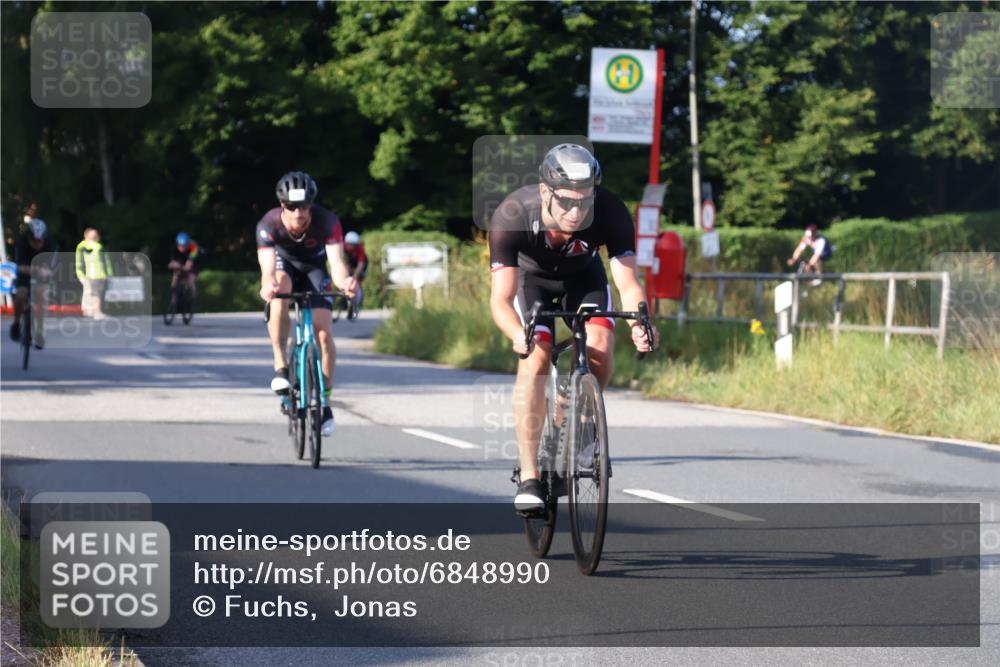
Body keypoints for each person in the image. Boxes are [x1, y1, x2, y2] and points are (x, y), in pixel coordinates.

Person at [488, 144, 659, 513]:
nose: (576, 210)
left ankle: (581, 424)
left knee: (599, 346)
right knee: (535, 358)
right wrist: (517, 333)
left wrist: (640, 323)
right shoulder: (512, 214)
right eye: (566, 201)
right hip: (530, 281)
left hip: (584, 278)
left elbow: (628, 284)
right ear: (545, 190)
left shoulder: (610, 210)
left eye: (585, 201)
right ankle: (531, 475)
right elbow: (500, 299)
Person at [256, 171, 357, 436]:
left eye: (302, 206)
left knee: (323, 335)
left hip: (315, 268)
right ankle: (281, 365)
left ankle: (324, 402)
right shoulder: (269, 225)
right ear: (282, 206)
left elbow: (336, 263)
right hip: (284, 266)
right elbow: (267, 270)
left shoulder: (328, 222)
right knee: (278, 292)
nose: (297, 213)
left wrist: (345, 282)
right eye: (291, 207)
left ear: (311, 204)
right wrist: (268, 286)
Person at [10, 214, 58, 348]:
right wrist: (27, 269)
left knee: (43, 298)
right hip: (25, 273)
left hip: (42, 274)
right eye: (34, 241)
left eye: (40, 241)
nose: (37, 244)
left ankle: (40, 332)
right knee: (21, 295)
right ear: (28, 238)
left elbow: (53, 266)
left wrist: (47, 271)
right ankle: (16, 323)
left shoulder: (51, 245)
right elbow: (19, 265)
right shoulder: (21, 243)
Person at [75, 228, 112, 318]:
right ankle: (95, 312)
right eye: (93, 234)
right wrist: (80, 274)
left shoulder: (97, 246)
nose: (95, 236)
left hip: (98, 274)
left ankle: (91, 312)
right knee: (95, 293)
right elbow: (82, 261)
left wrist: (109, 274)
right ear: (87, 236)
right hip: (92, 274)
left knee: (93, 293)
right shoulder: (85, 246)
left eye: (96, 234)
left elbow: (105, 261)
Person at [169, 232, 201, 301]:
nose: (181, 248)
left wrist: (185, 268)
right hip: (182, 259)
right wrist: (176, 267)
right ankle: (173, 298)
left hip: (194, 260)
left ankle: (193, 297)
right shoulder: (174, 247)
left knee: (191, 279)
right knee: (175, 275)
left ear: (187, 244)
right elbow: (172, 262)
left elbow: (189, 263)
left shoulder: (193, 247)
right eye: (180, 246)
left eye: (183, 246)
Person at [342, 231, 367, 311]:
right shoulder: (342, 246)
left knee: (357, 280)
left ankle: (357, 302)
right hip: (349, 262)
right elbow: (342, 262)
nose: (350, 246)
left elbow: (360, 264)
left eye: (352, 245)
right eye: (348, 244)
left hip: (360, 263)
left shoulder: (359, 248)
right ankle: (345, 301)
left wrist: (355, 276)